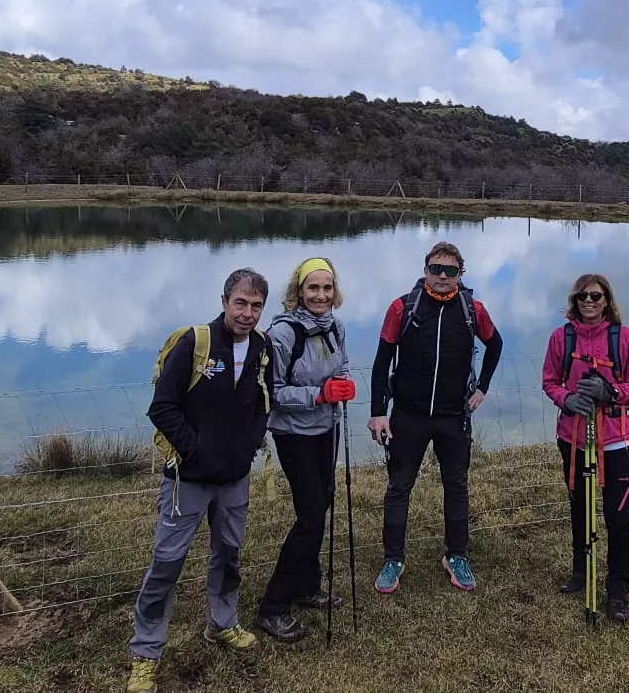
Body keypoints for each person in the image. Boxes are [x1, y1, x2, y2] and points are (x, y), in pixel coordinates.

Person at [128, 269, 273, 693]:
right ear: (225, 301)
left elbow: (264, 402)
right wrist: (195, 451)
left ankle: (222, 625)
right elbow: (162, 407)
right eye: (241, 303)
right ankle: (145, 654)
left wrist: (247, 446)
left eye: (256, 306)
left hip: (234, 479)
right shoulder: (196, 344)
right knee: (166, 566)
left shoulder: (263, 348)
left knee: (228, 555)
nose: (248, 314)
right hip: (187, 479)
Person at [369, 241, 503, 594]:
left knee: (457, 486)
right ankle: (393, 559)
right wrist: (377, 412)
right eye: (435, 269)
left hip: (453, 416)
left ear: (461, 274)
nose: (442, 276)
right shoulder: (402, 308)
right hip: (408, 416)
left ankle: (456, 555)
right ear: (425, 269)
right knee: (399, 486)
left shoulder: (473, 309)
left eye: (450, 271)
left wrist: (482, 388)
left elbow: (496, 344)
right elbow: (382, 361)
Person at [252, 257, 353, 643]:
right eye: (313, 288)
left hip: (325, 429)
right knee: (311, 515)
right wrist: (321, 394)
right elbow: (272, 393)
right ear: (298, 291)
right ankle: (273, 607)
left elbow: (340, 367)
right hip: (293, 433)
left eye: (327, 288)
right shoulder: (282, 334)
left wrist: (342, 383)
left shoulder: (336, 327)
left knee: (321, 503)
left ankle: (307, 586)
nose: (321, 296)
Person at [540, 273, 629, 624]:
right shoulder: (562, 337)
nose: (589, 302)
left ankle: (618, 591)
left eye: (596, 296)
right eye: (583, 296)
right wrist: (568, 399)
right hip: (573, 437)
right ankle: (580, 572)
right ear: (575, 300)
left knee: (618, 517)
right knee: (580, 509)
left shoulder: (624, 337)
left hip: (616, 440)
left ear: (607, 300)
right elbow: (550, 381)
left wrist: (611, 393)